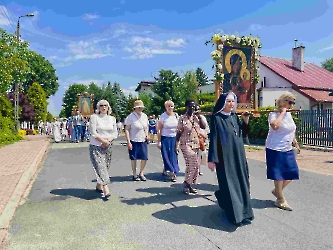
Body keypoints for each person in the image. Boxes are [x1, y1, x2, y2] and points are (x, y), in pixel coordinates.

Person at [207, 92, 254, 226]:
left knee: (242, 182)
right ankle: (235, 216)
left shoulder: (234, 116)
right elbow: (214, 138)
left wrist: (245, 121)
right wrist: (212, 159)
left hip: (238, 155)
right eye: (228, 101)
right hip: (225, 158)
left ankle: (245, 213)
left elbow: (242, 134)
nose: (231, 104)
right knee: (229, 184)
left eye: (233, 101)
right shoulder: (216, 118)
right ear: (223, 103)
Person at [265, 92, 300, 211]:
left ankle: (277, 191)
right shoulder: (273, 114)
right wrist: (282, 112)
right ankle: (280, 200)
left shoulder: (289, 114)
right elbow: (275, 126)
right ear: (283, 101)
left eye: (293, 103)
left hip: (287, 147)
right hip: (275, 147)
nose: (292, 105)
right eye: (290, 102)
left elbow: (290, 129)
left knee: (292, 172)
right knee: (279, 174)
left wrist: (294, 141)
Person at [175, 100, 207, 194]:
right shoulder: (182, 118)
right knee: (192, 162)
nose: (192, 108)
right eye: (190, 106)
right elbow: (178, 132)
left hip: (195, 144)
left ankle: (189, 184)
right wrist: (175, 145)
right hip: (185, 144)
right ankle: (187, 184)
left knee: (195, 166)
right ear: (186, 107)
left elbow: (203, 126)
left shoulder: (196, 118)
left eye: (194, 106)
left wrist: (199, 116)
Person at [89, 100, 118, 201]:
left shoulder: (112, 118)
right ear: (98, 107)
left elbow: (115, 132)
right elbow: (93, 132)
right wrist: (102, 141)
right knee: (100, 166)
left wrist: (108, 141)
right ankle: (106, 189)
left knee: (105, 166)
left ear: (108, 107)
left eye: (105, 105)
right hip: (96, 145)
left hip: (108, 145)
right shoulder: (94, 117)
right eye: (101, 105)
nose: (103, 107)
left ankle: (99, 185)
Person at [124, 100, 149, 181]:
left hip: (143, 139)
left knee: (144, 157)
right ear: (135, 108)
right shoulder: (130, 117)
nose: (140, 109)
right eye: (139, 107)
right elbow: (127, 129)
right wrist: (128, 141)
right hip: (134, 139)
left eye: (141, 107)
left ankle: (141, 173)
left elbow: (146, 127)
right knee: (134, 158)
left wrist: (147, 134)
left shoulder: (145, 116)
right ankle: (134, 174)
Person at [157, 100, 180, 182]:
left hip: (174, 138)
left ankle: (172, 172)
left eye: (171, 106)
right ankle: (171, 171)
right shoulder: (163, 116)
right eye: (168, 106)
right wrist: (159, 141)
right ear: (165, 107)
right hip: (165, 138)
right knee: (166, 155)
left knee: (174, 155)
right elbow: (159, 129)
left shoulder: (176, 116)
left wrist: (178, 140)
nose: (170, 108)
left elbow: (179, 128)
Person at [195, 105, 210, 176]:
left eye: (198, 109)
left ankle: (198, 169)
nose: (196, 111)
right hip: (192, 138)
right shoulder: (189, 118)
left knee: (201, 154)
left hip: (201, 138)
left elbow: (205, 128)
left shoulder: (202, 118)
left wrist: (199, 117)